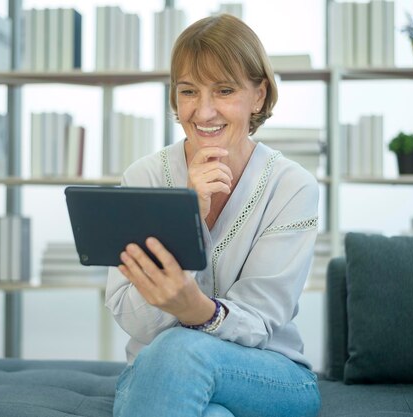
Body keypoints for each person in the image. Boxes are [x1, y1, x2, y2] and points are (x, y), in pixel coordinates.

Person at [105, 13, 321, 417]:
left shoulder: (293, 187)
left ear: (258, 95)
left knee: (179, 350)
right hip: (158, 376)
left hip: (269, 375)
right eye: (189, 92)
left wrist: (194, 310)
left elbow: (260, 323)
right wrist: (188, 217)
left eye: (223, 90)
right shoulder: (144, 177)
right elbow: (135, 321)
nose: (203, 113)